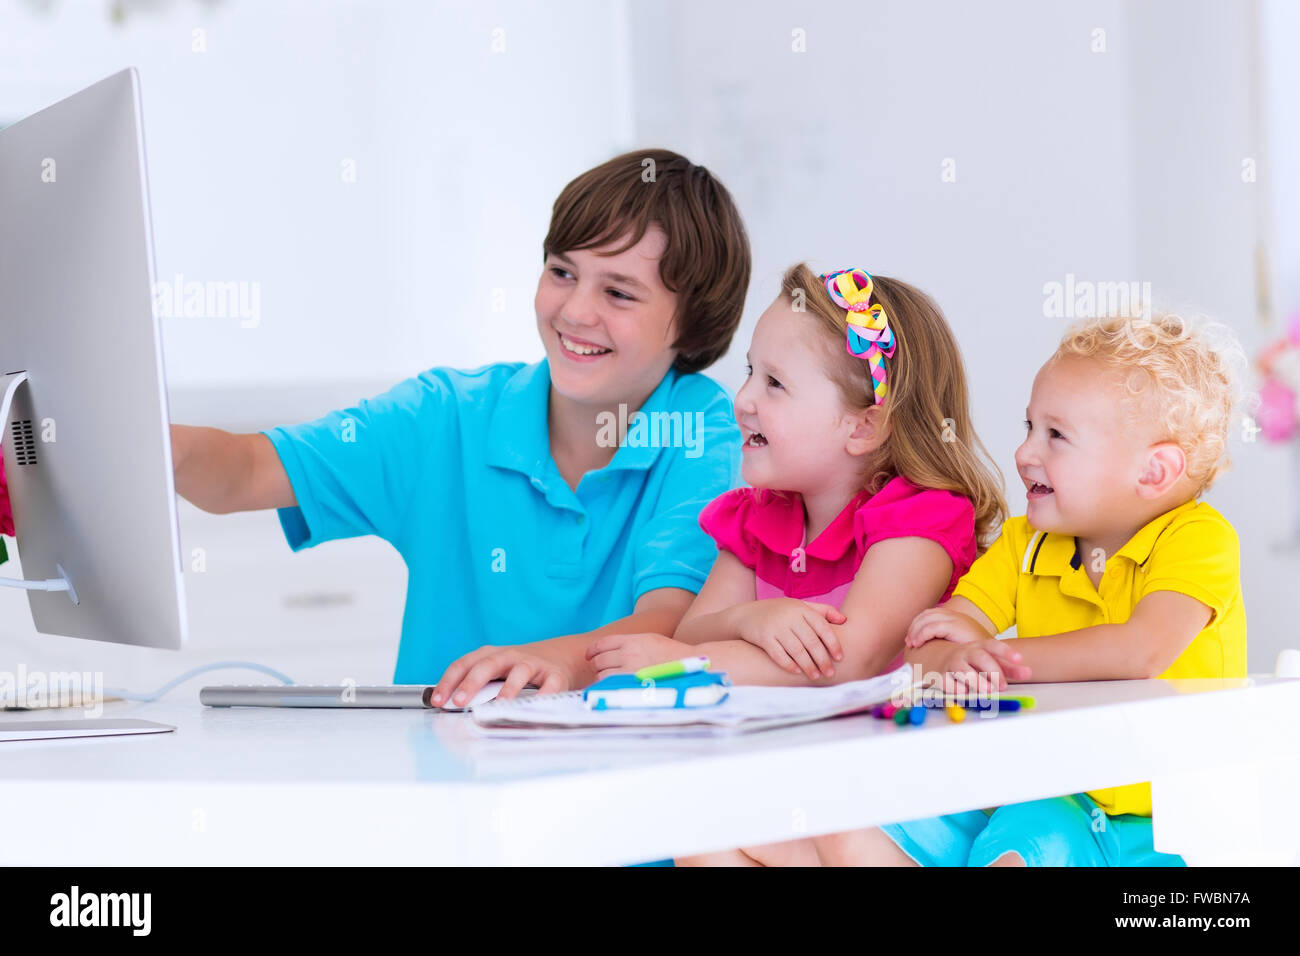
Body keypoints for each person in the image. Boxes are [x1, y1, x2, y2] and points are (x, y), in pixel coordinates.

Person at [170, 149, 752, 704]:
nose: (575, 312)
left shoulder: (700, 430)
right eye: (561, 272)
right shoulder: (448, 414)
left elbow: (674, 620)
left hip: (620, 773)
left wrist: (561, 662)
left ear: (692, 328)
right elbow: (244, 472)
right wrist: (153, 447)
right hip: (445, 771)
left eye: (619, 293)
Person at [816, 311, 1247, 866]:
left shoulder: (1199, 538)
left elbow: (1141, 651)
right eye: (1028, 428)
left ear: (1154, 473)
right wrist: (957, 655)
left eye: (1056, 436)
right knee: (854, 824)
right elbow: (928, 646)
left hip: (1174, 819)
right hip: (1055, 791)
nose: (1024, 453)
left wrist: (994, 659)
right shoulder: (1025, 543)